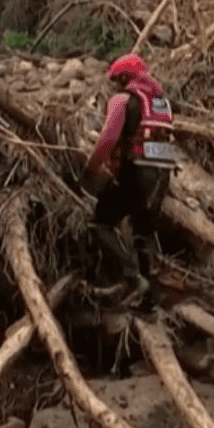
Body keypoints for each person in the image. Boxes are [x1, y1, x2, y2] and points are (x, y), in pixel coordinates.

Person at [81, 53, 176, 303]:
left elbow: (108, 139)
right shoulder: (161, 102)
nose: (114, 85)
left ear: (124, 78)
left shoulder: (123, 99)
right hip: (163, 175)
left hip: (137, 171)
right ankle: (148, 301)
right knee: (141, 232)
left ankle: (132, 277)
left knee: (99, 223)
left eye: (116, 80)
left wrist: (90, 170)